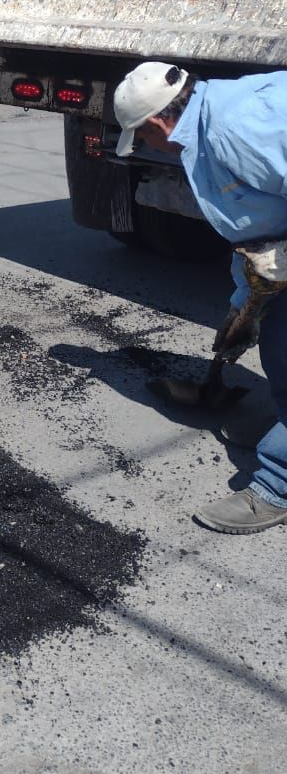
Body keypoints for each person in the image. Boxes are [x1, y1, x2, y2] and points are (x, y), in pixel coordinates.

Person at [114, 62, 287, 533]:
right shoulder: (209, 124)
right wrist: (244, 304)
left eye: (145, 139)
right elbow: (254, 231)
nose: (150, 147)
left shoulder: (240, 127)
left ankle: (278, 485)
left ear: (157, 123)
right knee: (276, 338)